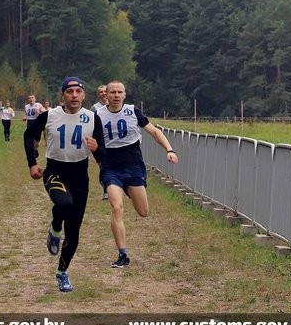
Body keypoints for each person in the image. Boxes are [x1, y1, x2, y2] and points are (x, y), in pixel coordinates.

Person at [24, 77, 104, 292]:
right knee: (64, 204)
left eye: (78, 91)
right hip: (55, 172)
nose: (74, 95)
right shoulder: (49, 115)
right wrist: (32, 163)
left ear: (84, 95)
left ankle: (62, 272)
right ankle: (55, 227)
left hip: (80, 176)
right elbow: (28, 134)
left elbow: (102, 155)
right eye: (70, 92)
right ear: (63, 96)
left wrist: (96, 149)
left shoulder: (92, 118)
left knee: (75, 232)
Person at [96, 80, 178, 268]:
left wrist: (169, 149)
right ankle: (123, 254)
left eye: (120, 92)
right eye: (113, 92)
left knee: (143, 212)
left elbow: (154, 132)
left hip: (133, 165)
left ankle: (129, 190)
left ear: (125, 95)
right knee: (117, 208)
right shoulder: (97, 115)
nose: (116, 95)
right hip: (111, 167)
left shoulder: (133, 111)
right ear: (105, 95)